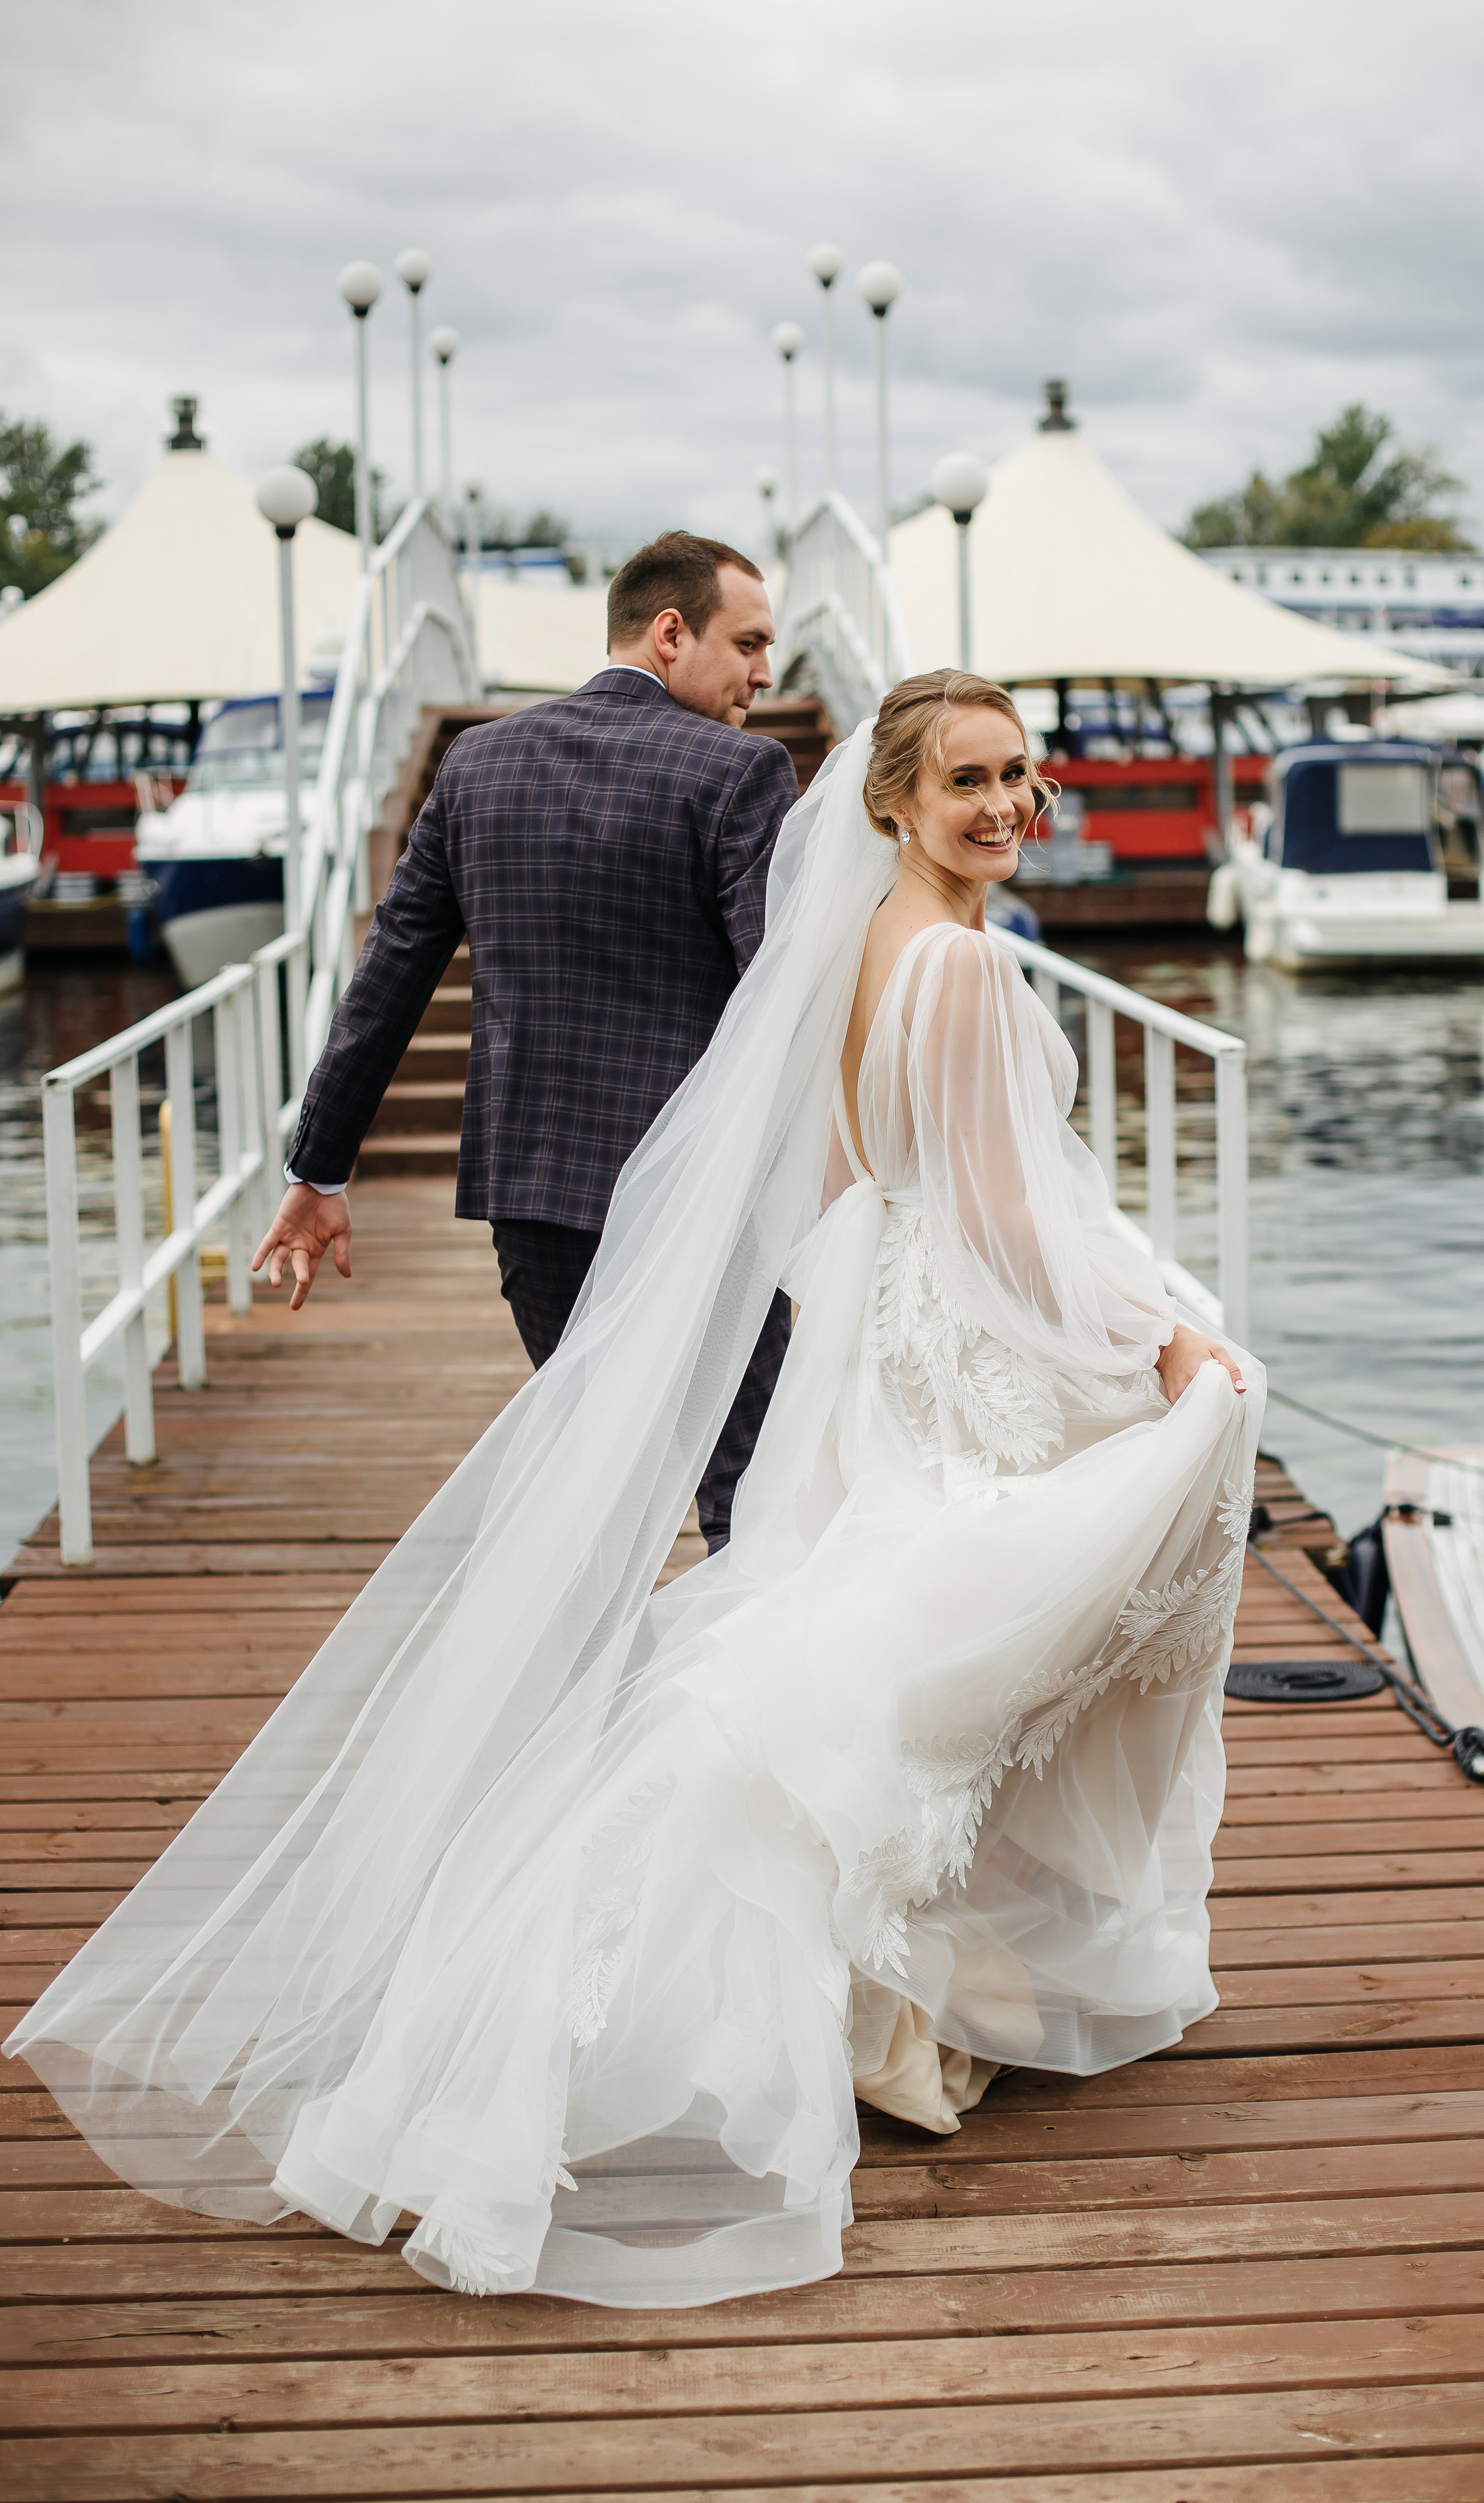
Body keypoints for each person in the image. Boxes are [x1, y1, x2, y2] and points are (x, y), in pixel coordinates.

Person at [10, 671, 1263, 2311]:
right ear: (890, 802)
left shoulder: (853, 945)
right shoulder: (956, 960)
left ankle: (914, 1985)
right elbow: (1010, 1216)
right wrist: (1159, 1338)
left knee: (886, 1624)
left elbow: (841, 1177)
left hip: (887, 1322)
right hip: (966, 1333)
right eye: (969, 778)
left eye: (1023, 775)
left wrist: (888, 1321)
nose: (1008, 804)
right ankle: (879, 1989)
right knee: (954, 1633)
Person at [252, 530, 802, 1548]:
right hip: (701, 1198)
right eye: (751, 643)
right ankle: (740, 1709)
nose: (767, 674)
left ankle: (596, 1704)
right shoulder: (743, 774)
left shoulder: (478, 763)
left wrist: (318, 1171)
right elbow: (784, 992)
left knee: (595, 1488)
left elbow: (388, 981)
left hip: (536, 1199)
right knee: (749, 1490)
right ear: (671, 633)